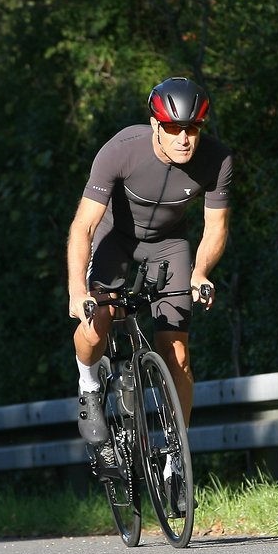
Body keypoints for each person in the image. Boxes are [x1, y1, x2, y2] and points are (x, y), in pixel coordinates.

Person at [66, 76, 233, 446]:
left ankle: (177, 454)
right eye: (173, 128)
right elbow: (84, 225)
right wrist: (78, 291)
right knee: (97, 322)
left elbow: (216, 228)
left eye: (192, 129)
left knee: (177, 355)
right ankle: (89, 384)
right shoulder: (121, 149)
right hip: (116, 240)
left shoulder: (217, 160)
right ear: (156, 124)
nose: (183, 138)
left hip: (168, 245)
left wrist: (200, 272)